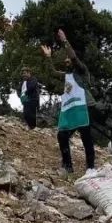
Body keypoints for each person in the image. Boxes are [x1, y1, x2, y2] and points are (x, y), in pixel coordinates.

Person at [41, 29, 97, 175]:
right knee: (62, 135)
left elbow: (73, 57)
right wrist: (48, 57)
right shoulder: (66, 75)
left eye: (68, 59)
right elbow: (52, 73)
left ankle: (90, 167)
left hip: (85, 107)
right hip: (71, 110)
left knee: (86, 137)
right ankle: (67, 165)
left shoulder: (82, 71)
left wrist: (64, 41)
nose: (66, 61)